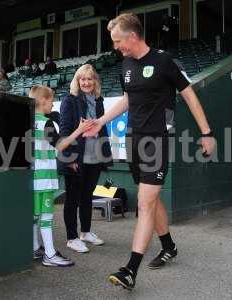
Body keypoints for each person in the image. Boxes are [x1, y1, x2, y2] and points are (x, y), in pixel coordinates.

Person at [83, 13, 216, 290]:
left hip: (157, 141)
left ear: (133, 36)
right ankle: (168, 245)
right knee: (150, 199)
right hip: (133, 140)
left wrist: (207, 133)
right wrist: (101, 122)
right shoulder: (126, 64)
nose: (117, 47)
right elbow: (128, 99)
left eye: (119, 41)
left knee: (144, 203)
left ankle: (130, 269)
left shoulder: (163, 61)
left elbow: (189, 94)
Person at [31, 85, 95, 267]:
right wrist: (79, 130)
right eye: (51, 101)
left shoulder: (26, 121)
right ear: (43, 100)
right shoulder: (46, 123)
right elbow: (60, 145)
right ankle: (50, 255)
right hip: (44, 179)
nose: (52, 105)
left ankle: (35, 248)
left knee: (34, 216)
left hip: (32, 178)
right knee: (46, 217)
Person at [59, 64, 113, 253]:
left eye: (90, 79)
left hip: (95, 156)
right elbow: (65, 132)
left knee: (87, 196)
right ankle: (72, 238)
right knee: (72, 198)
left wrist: (106, 154)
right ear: (77, 81)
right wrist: (69, 158)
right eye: (83, 79)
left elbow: (102, 128)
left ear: (95, 81)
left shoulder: (98, 101)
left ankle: (86, 232)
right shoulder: (69, 101)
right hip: (76, 157)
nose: (86, 82)